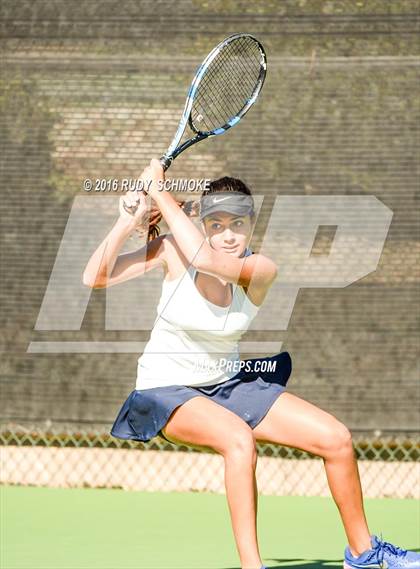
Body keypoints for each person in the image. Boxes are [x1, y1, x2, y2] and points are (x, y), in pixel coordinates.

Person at [83, 159, 420, 569]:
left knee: (337, 439)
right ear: (204, 225)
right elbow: (94, 278)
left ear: (251, 226)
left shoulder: (261, 268)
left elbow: (207, 261)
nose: (228, 235)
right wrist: (126, 221)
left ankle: (363, 554)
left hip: (227, 385)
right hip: (164, 390)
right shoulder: (172, 250)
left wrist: (158, 193)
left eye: (238, 224)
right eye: (218, 225)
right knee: (239, 440)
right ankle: (251, 566)